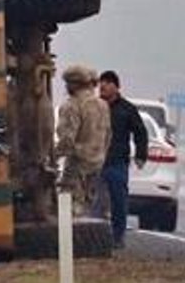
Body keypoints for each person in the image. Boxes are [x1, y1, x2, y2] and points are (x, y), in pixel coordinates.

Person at [98, 70, 149, 248]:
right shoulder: (94, 107)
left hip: (117, 162)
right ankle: (95, 238)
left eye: (107, 82)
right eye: (101, 82)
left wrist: (141, 155)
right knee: (94, 202)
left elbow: (140, 132)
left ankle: (117, 237)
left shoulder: (127, 109)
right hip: (94, 161)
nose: (103, 86)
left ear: (116, 86)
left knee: (118, 200)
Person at [56, 65, 111, 217]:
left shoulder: (72, 106)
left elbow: (67, 140)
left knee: (68, 210)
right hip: (97, 165)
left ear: (73, 84)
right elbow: (108, 136)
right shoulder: (103, 105)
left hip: (77, 166)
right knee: (89, 208)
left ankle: (68, 231)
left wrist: (52, 156)